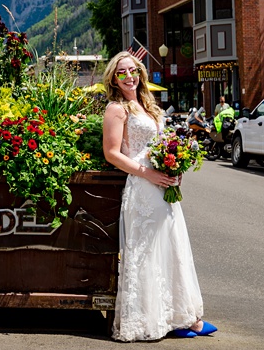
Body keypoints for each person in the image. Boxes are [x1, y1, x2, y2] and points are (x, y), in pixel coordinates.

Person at [101, 51, 216, 341]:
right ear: (114, 78)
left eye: (133, 71)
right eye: (122, 72)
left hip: (163, 184)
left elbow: (161, 144)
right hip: (142, 185)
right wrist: (148, 173)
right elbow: (112, 154)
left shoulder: (148, 105)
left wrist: (173, 166)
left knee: (171, 246)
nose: (129, 76)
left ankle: (178, 316)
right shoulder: (117, 108)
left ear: (139, 73)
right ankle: (148, 319)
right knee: (148, 251)